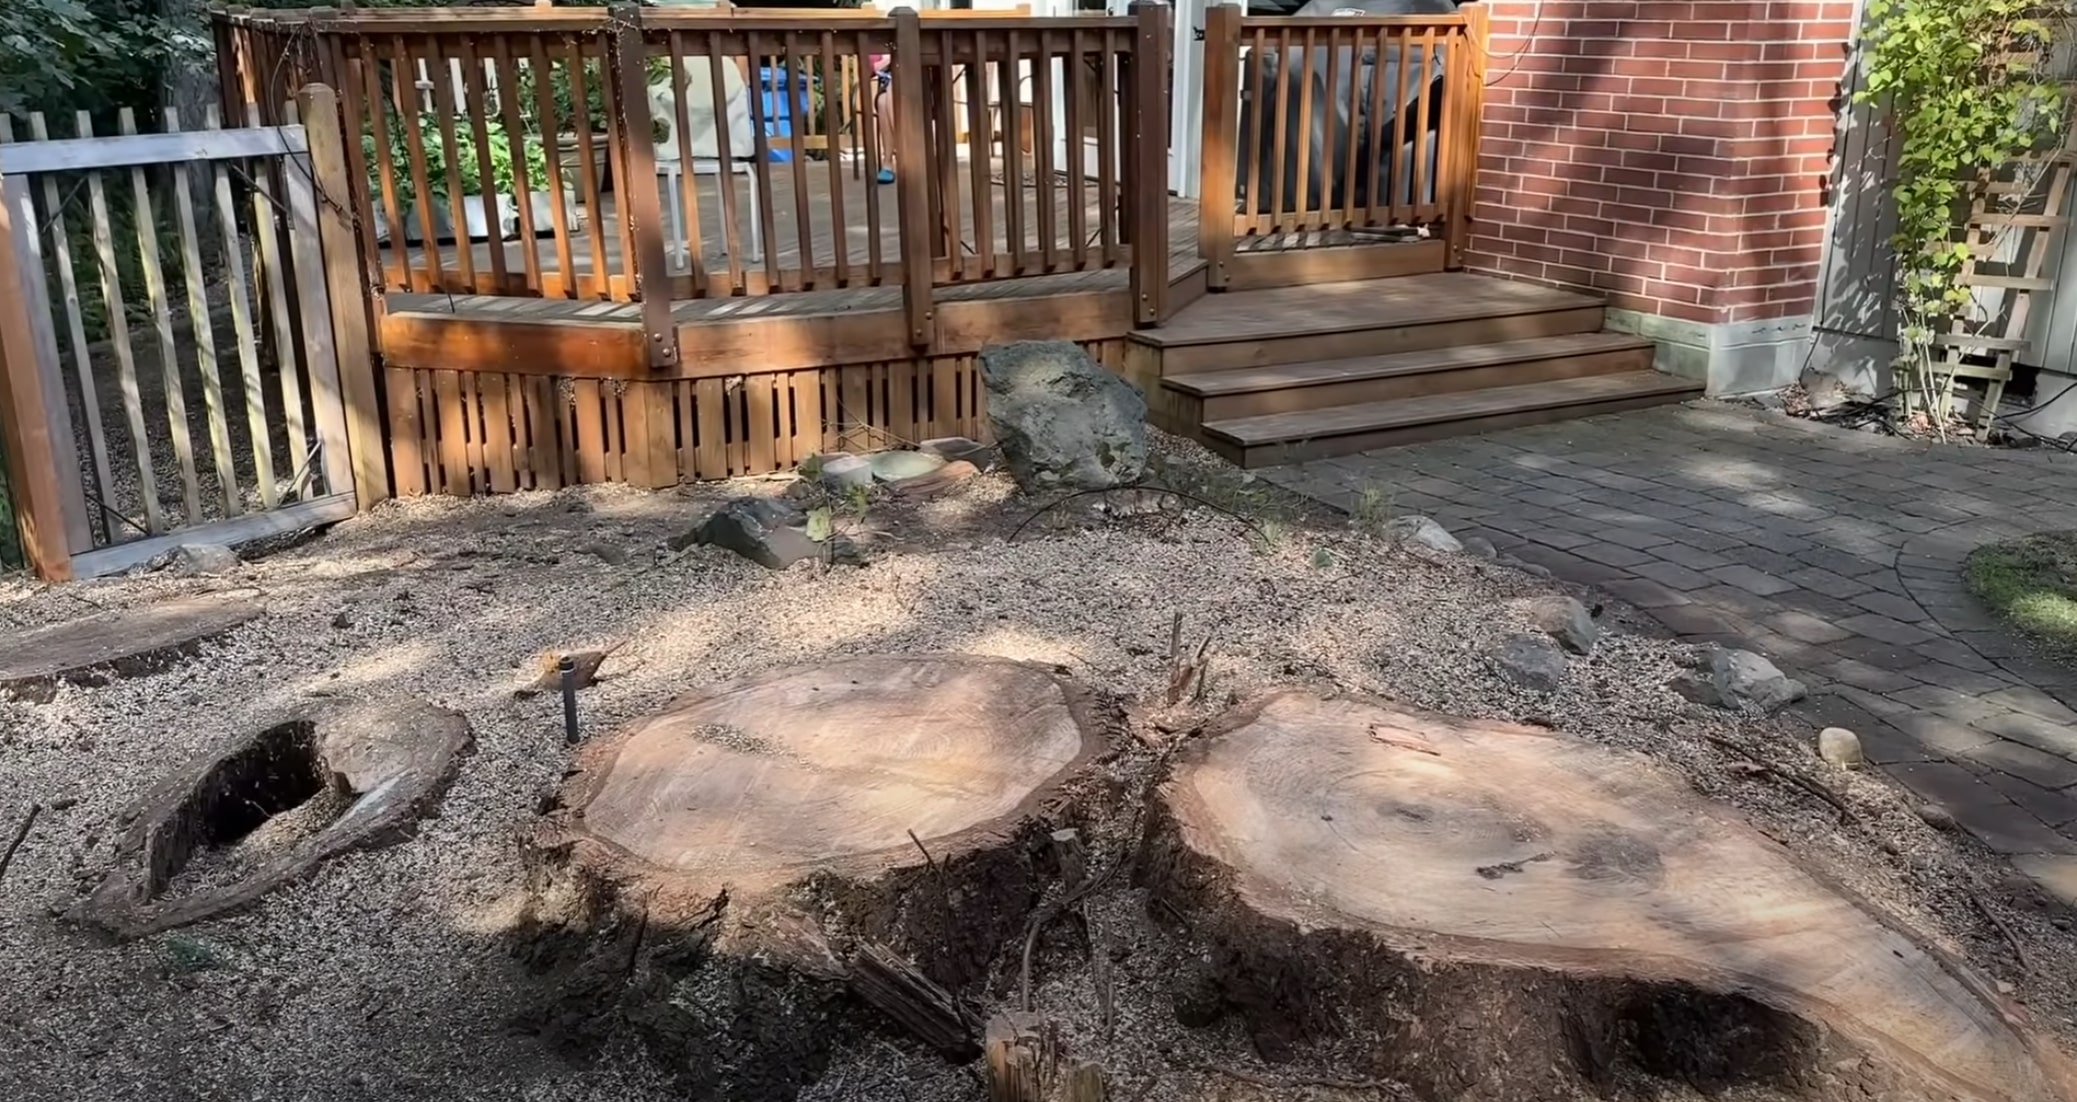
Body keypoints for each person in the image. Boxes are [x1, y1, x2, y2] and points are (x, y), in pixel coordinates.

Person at [869, 52, 895, 184]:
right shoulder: (878, 40)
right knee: (882, 102)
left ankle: (898, 157)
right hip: (889, 84)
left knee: (891, 91)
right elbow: (870, 67)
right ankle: (888, 161)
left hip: (917, 82)